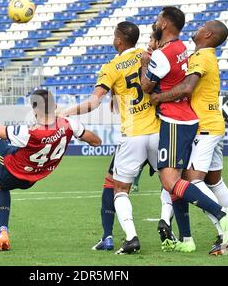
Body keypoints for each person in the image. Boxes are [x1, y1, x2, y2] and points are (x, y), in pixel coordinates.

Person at [0, 74, 102, 251]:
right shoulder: (69, 124)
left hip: (10, 168)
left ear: (34, 110)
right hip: (32, 177)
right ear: (56, 106)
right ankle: (2, 231)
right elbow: (96, 141)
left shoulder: (28, 133)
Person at [140, 6, 228, 250]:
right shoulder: (186, 49)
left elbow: (158, 87)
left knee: (178, 180)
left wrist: (146, 66)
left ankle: (224, 219)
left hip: (182, 121)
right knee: (205, 180)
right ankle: (187, 239)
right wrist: (156, 50)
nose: (199, 28)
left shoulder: (199, 56)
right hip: (201, 122)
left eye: (203, 28)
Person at [60, 21, 161, 254]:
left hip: (133, 134)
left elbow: (95, 102)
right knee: (173, 184)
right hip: (157, 131)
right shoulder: (148, 54)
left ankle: (111, 237)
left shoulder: (112, 66)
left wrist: (67, 111)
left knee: (113, 185)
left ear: (118, 40)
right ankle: (178, 233)